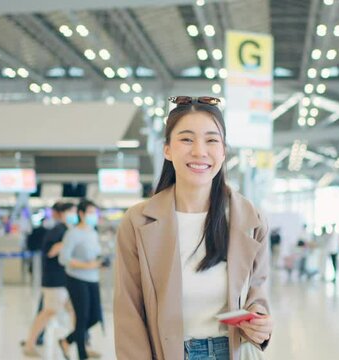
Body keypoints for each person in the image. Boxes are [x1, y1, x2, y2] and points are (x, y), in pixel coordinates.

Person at [113, 96, 273, 360]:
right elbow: (128, 313)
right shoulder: (138, 221)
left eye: (212, 140)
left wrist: (260, 323)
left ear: (223, 151)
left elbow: (258, 292)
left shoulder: (249, 219)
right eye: (186, 139)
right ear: (167, 150)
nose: (200, 151)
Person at [21, 202, 77, 356]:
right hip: (55, 280)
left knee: (75, 311)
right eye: (71, 211)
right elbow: (49, 252)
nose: (74, 214)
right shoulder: (58, 230)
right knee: (49, 311)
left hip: (66, 278)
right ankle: (30, 343)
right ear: (62, 213)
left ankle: (80, 344)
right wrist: (66, 242)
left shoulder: (68, 229)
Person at [58, 199, 105, 360]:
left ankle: (66, 340)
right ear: (81, 214)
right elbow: (63, 259)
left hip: (93, 278)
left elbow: (94, 254)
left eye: (95, 213)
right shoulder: (72, 233)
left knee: (95, 316)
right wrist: (87, 265)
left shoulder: (93, 231)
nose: (93, 216)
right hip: (77, 279)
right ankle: (82, 355)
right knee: (82, 316)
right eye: (90, 212)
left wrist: (99, 262)